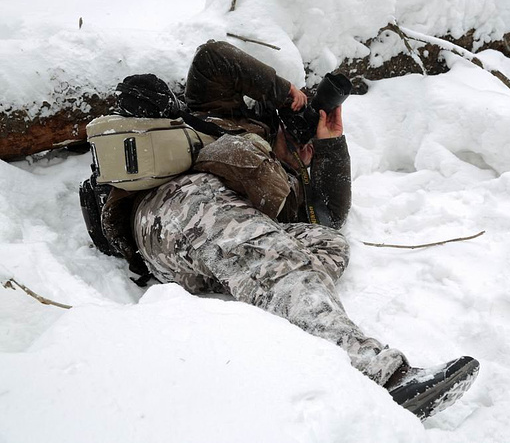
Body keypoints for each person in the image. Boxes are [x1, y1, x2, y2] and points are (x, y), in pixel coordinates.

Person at [110, 40, 479, 420]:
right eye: (301, 142)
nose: (305, 153)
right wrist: (286, 94)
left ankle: (270, 297)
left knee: (328, 244)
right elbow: (212, 57)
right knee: (270, 254)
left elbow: (330, 217)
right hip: (174, 206)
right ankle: (382, 376)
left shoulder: (287, 189)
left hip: (215, 242)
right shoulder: (217, 115)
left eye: (310, 154)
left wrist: (331, 145)